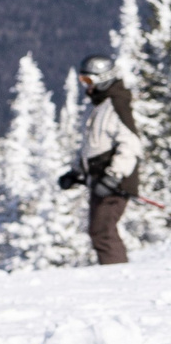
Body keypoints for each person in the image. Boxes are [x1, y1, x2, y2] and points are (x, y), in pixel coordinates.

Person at [59, 53, 146, 266]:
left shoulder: (116, 104)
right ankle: (114, 274)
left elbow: (130, 145)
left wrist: (113, 176)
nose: (85, 86)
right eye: (82, 80)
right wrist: (78, 172)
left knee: (103, 232)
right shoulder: (101, 105)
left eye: (89, 80)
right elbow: (95, 145)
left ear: (103, 78)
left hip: (115, 184)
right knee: (98, 231)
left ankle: (117, 277)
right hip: (99, 180)